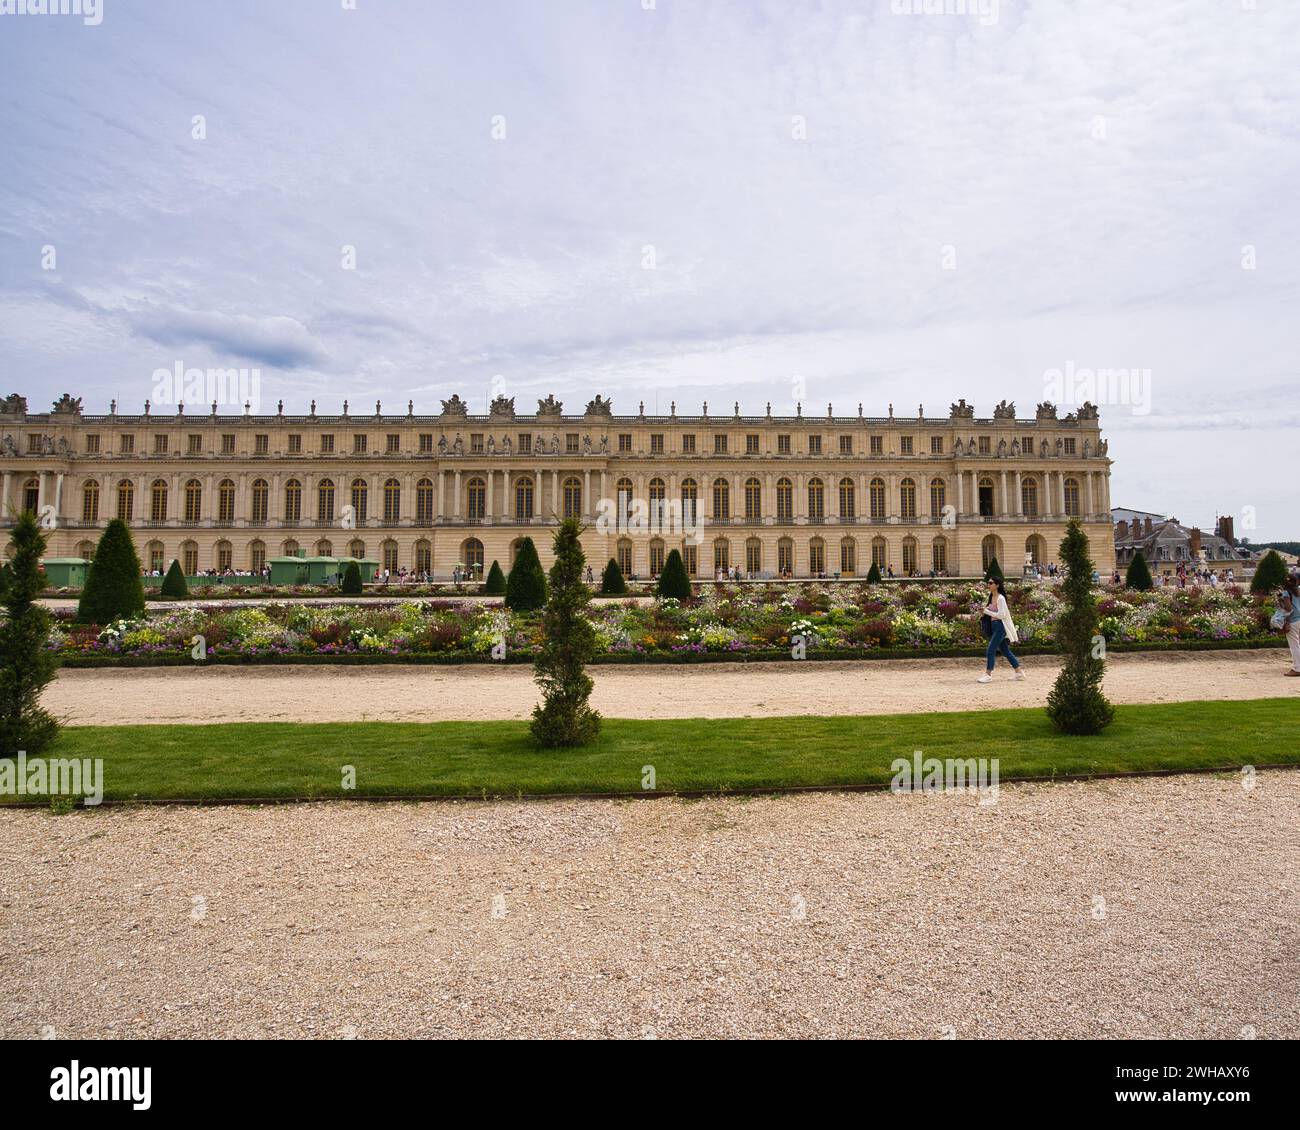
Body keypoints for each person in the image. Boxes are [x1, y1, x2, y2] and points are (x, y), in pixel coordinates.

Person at [977, 577, 1023, 683]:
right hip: (994, 625)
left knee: (991, 649)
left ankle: (988, 674)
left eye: (991, 583)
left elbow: (1001, 615)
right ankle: (1019, 672)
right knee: (1005, 651)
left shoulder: (1000, 598)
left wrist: (987, 612)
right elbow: (994, 612)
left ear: (997, 585)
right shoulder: (992, 596)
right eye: (988, 583)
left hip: (1000, 626)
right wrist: (984, 611)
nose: (989, 585)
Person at [1280, 576, 1300, 677]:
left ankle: (1297, 668)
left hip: (1293, 620)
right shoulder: (1298, 591)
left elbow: (1289, 608)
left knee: (1294, 646)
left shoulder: (1286, 593)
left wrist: (1281, 604)